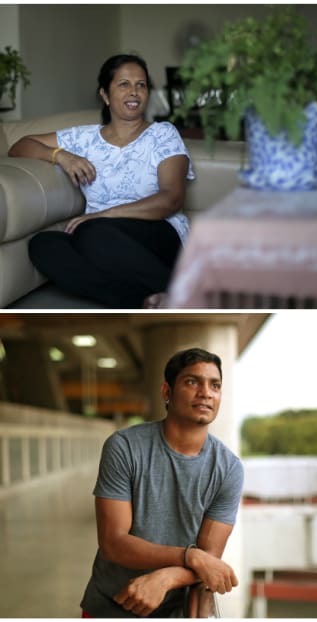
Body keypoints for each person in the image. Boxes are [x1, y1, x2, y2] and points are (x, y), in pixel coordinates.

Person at [8, 53, 194, 308]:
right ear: (105, 95)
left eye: (141, 85)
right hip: (100, 238)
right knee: (43, 245)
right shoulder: (85, 138)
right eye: (124, 84)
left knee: (91, 234)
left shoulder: (163, 134)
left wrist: (103, 216)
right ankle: (138, 300)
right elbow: (20, 146)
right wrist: (60, 155)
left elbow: (172, 199)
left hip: (158, 233)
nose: (134, 92)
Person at [80, 348, 243, 617]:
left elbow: (209, 559)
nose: (206, 392)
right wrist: (191, 556)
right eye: (192, 382)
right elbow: (113, 542)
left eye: (215, 385)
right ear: (167, 392)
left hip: (177, 609)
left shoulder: (228, 468)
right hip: (111, 604)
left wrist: (165, 579)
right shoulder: (124, 447)